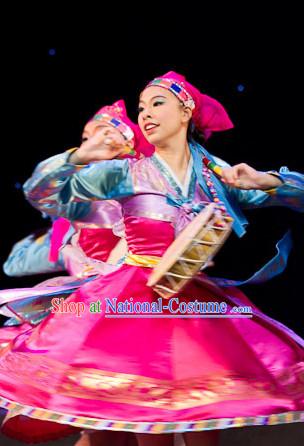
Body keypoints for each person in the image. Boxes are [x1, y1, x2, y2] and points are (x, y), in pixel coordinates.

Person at [0, 71, 303, 446]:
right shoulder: (125, 171)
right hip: (126, 304)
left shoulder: (218, 175)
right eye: (142, 107)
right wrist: (80, 157)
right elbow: (42, 194)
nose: (146, 114)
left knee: (200, 425)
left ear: (186, 110)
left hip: (193, 306)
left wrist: (268, 181)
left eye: (157, 103)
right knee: (127, 429)